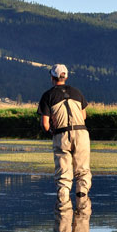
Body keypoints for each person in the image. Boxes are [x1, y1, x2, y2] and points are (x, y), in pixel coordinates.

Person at [37, 64, 92, 207]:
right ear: (66, 76)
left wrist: (50, 132)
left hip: (61, 135)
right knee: (83, 170)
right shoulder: (77, 92)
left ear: (52, 77)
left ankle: (63, 214)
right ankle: (82, 202)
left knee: (63, 174)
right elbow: (83, 116)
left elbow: (45, 124)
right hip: (82, 134)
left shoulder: (47, 96)